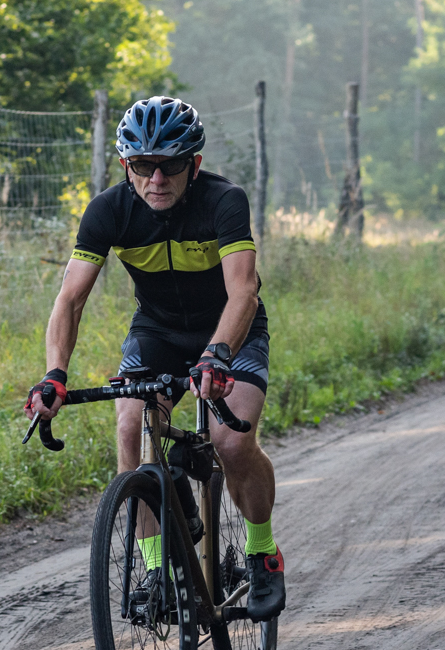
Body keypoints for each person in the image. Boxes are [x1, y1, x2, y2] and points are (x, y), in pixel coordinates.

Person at [23, 96, 285, 621]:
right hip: (158, 332)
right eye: (143, 166)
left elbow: (243, 292)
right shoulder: (108, 211)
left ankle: (263, 553)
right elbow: (69, 299)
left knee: (231, 441)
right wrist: (54, 374)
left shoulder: (224, 201)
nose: (157, 179)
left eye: (170, 165)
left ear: (195, 164)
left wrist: (218, 354)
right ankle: (157, 568)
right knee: (131, 430)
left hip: (230, 330)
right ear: (127, 165)